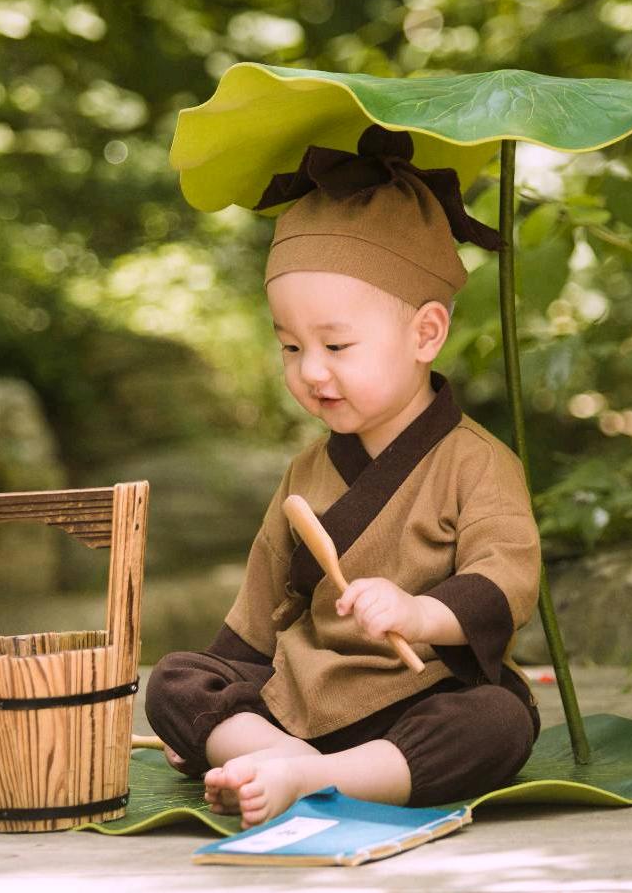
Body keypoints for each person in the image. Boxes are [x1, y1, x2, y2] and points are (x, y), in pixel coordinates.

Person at [145, 125, 542, 828]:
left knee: (499, 719)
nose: (310, 370)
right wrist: (213, 705)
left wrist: (420, 613)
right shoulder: (308, 467)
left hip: (416, 699)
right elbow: (260, 607)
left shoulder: (475, 462)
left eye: (335, 344)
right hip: (296, 701)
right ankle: (271, 756)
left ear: (425, 333)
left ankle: (307, 776)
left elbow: (505, 574)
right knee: (178, 680)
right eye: (291, 346)